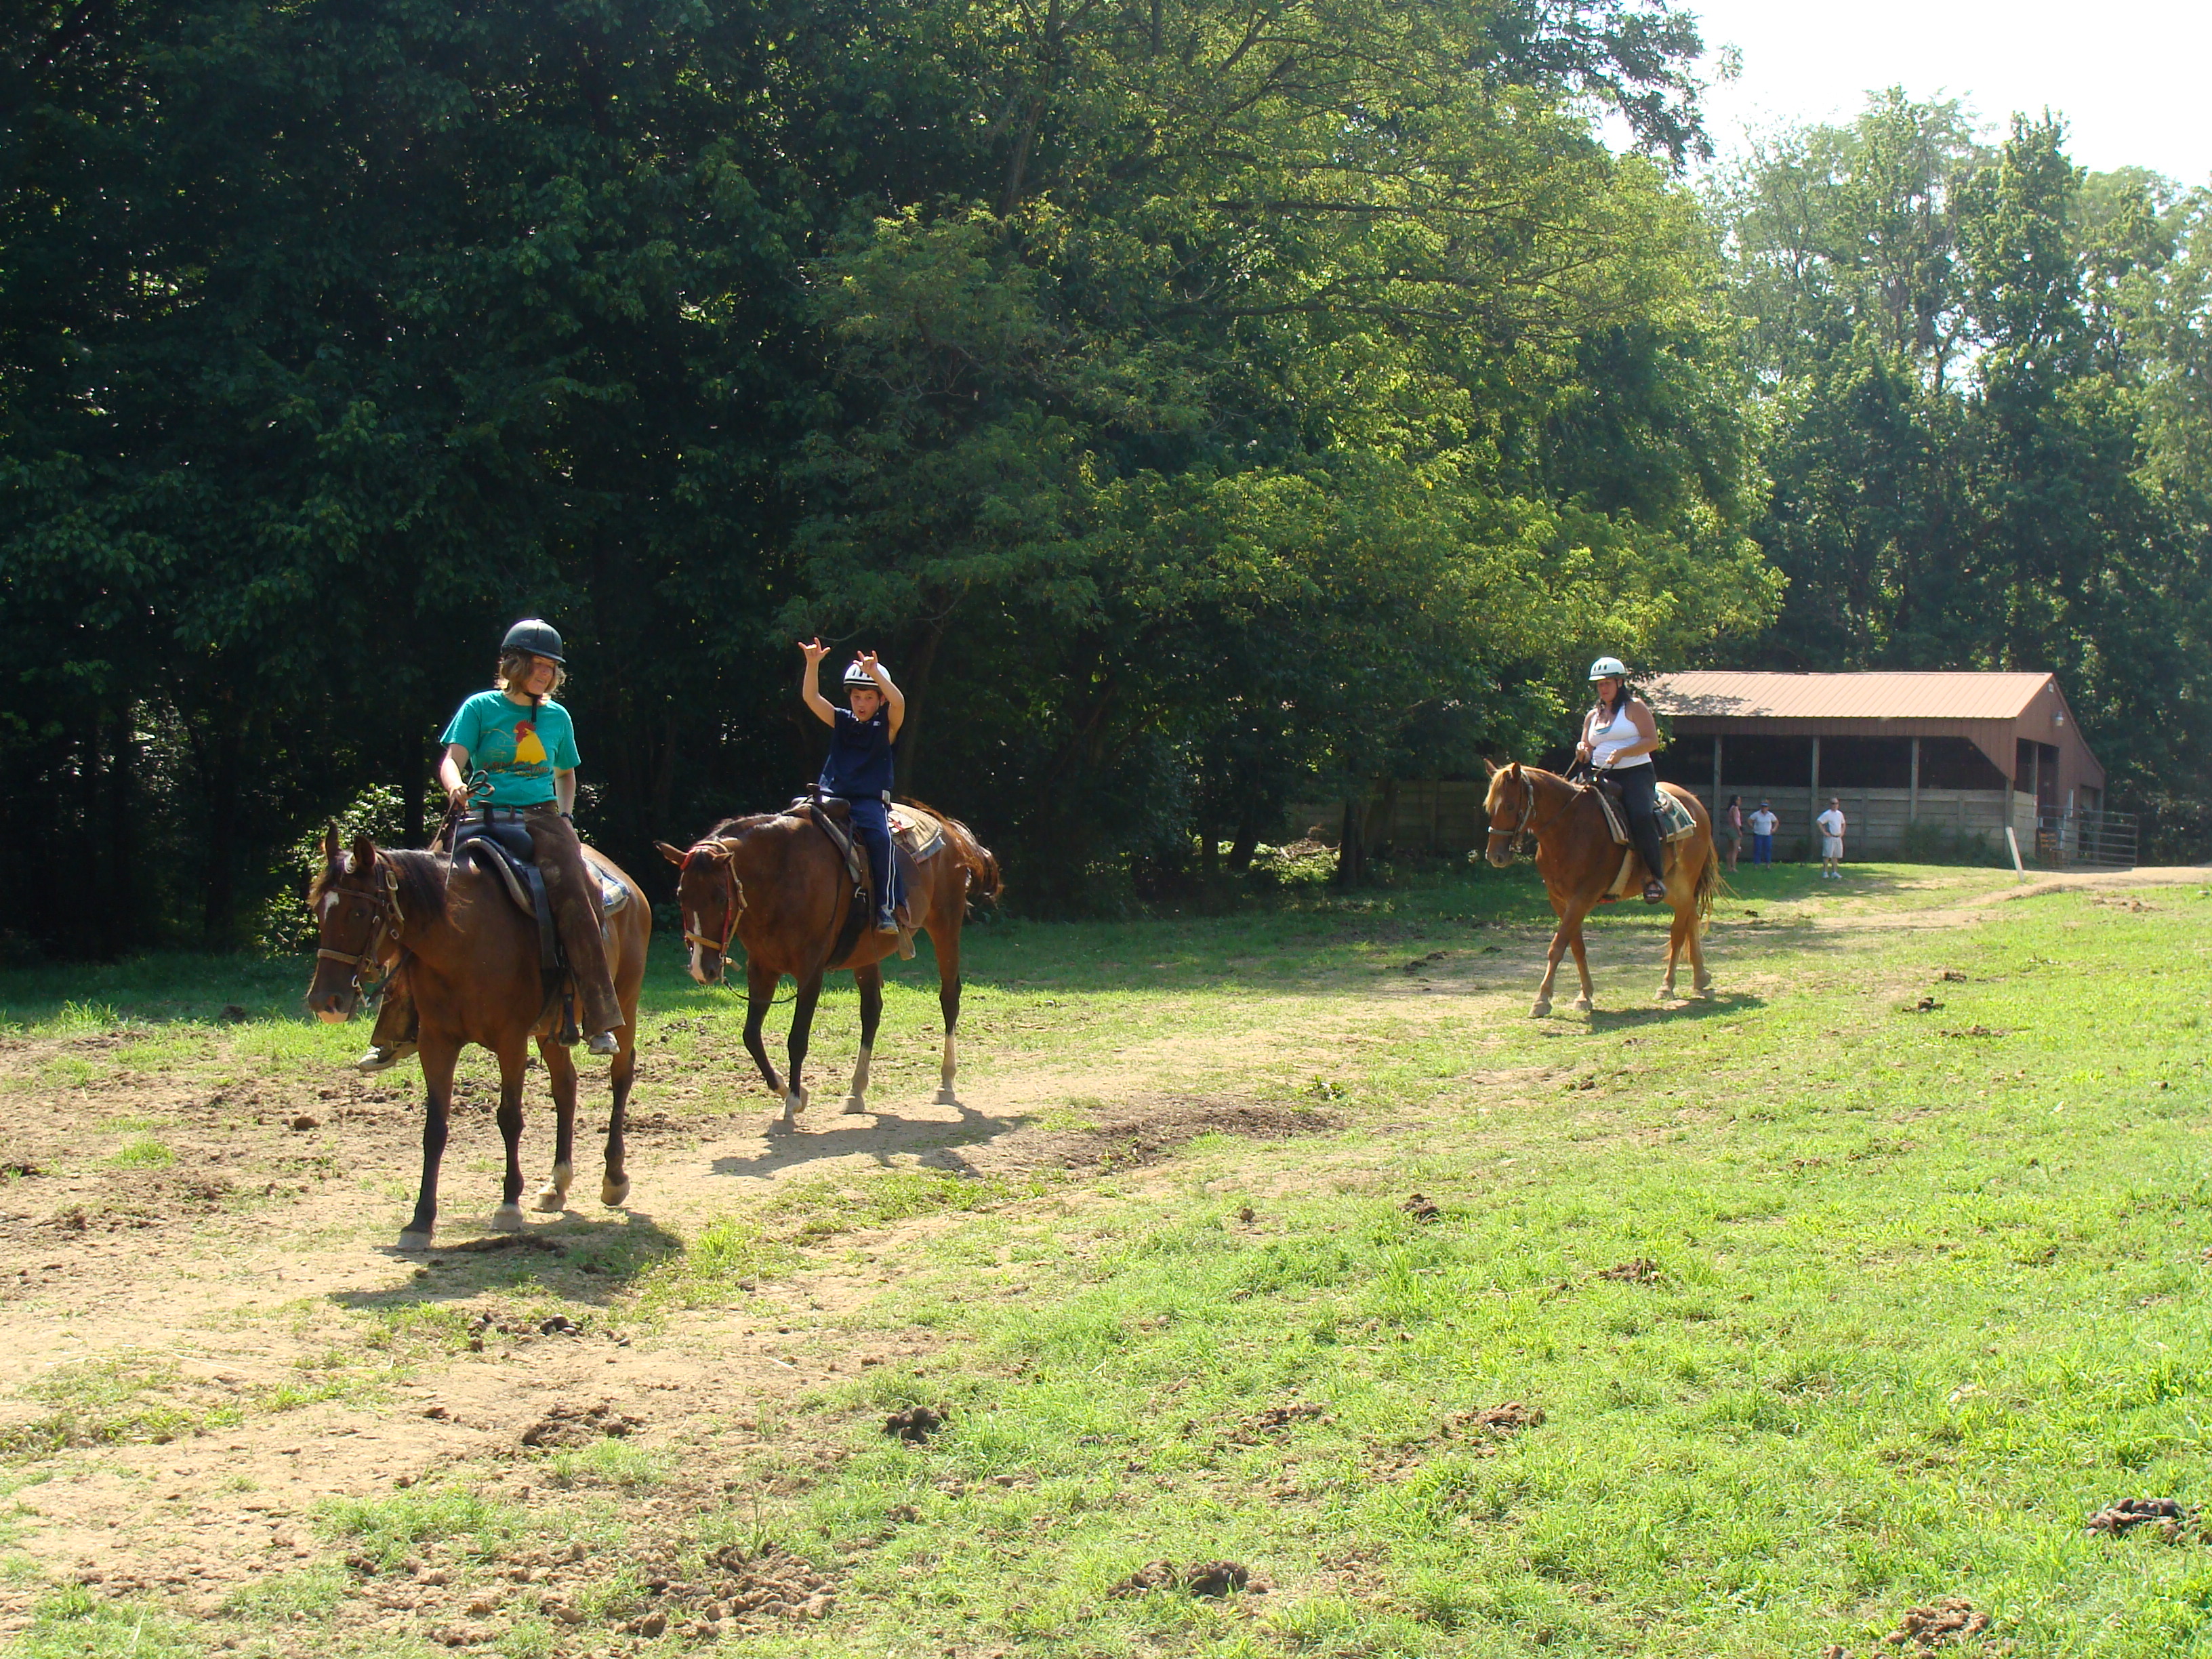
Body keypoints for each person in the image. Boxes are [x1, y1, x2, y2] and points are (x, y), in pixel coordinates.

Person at [356, 619, 623, 1072]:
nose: (546, 674)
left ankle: (598, 1017)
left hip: (542, 820)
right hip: (480, 815)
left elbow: (566, 774)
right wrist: (455, 786)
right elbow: (452, 760)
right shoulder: (480, 707)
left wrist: (565, 817)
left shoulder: (558, 718)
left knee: (578, 895)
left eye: (552, 667)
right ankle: (396, 1033)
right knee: (418, 900)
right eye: (538, 665)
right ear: (514, 664)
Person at [800, 639, 905, 933]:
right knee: (791, 825)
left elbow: (899, 703)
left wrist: (877, 674)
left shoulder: (887, 726)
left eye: (869, 697)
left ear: (880, 700)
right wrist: (812, 664)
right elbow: (811, 698)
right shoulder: (842, 720)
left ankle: (885, 907)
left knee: (881, 840)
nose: (861, 703)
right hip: (829, 797)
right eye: (857, 697)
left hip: (867, 802)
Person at [1573, 656, 1668, 903]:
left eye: (1607, 683)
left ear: (1620, 682)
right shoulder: (1592, 716)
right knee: (1569, 807)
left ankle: (1654, 876)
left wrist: (1624, 752)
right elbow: (1587, 747)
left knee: (1641, 816)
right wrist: (1582, 750)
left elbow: (1652, 741)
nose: (1603, 688)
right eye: (1599, 684)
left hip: (1635, 774)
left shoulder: (1635, 708)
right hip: (1599, 774)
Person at [1817, 796, 1847, 878]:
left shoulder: (1840, 814)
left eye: (1836, 803)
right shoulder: (1827, 814)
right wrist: (1824, 832)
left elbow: (1843, 824)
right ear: (1830, 805)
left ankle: (1835, 872)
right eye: (1833, 803)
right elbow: (1819, 822)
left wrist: (1842, 833)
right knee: (1827, 855)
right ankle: (1825, 872)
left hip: (1838, 837)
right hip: (1830, 837)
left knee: (1835, 856)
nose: (1835, 805)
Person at [1748, 800, 1778, 866]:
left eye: (1765, 807)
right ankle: (1756, 865)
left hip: (1768, 835)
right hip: (1758, 835)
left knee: (1768, 850)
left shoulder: (1771, 815)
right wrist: (1752, 827)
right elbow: (1749, 820)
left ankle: (1768, 865)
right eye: (1763, 807)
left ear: (1768, 808)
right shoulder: (1756, 814)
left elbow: (1776, 822)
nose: (1764, 808)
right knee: (1757, 850)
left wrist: (1774, 829)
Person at [1720, 794, 1744, 873]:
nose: (1740, 802)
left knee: (1730, 849)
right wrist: (1739, 831)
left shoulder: (1730, 809)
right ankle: (1734, 867)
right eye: (1739, 800)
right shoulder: (1735, 809)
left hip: (1729, 829)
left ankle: (1728, 867)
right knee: (1735, 850)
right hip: (1734, 829)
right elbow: (1736, 821)